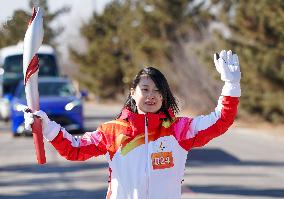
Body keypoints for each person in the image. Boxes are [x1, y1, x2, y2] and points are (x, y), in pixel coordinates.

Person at [24, 50, 241, 199]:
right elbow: (74, 149)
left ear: (164, 97)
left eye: (158, 91)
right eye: (145, 89)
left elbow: (221, 120)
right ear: (133, 93)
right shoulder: (112, 131)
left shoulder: (179, 130)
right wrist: (46, 126)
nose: (151, 96)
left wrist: (231, 86)